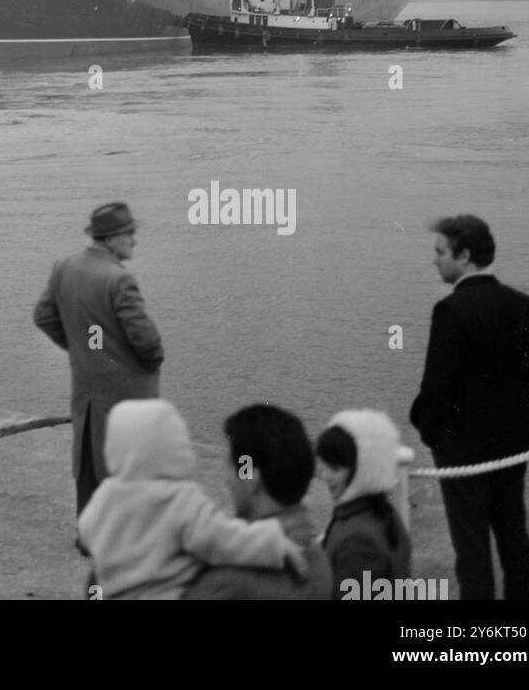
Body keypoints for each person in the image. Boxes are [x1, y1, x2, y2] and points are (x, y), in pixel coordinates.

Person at [409, 215, 529, 600]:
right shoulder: (526, 305)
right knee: (514, 538)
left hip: (462, 453)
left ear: (465, 255)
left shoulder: (451, 311)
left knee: (472, 551)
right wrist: (522, 426)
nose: (434, 260)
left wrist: (431, 433)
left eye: (440, 252)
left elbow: (436, 389)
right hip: (513, 446)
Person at [78, 399, 308, 599]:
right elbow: (225, 541)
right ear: (175, 446)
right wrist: (273, 542)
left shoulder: (105, 497)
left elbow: (87, 531)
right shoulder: (181, 501)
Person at [33, 202, 163, 524]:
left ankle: (87, 532)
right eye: (130, 233)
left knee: (88, 461)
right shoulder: (119, 280)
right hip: (126, 392)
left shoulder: (64, 267)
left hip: (87, 386)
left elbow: (43, 317)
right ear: (113, 238)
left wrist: (80, 350)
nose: (135, 240)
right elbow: (147, 341)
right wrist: (148, 363)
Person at [184, 402, 333, 600]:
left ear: (251, 478)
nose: (227, 480)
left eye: (230, 468)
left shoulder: (228, 582)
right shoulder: (321, 563)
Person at [315, 410, 412, 596]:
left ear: (362, 470)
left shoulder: (358, 543)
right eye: (324, 465)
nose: (325, 476)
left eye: (335, 468)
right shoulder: (385, 515)